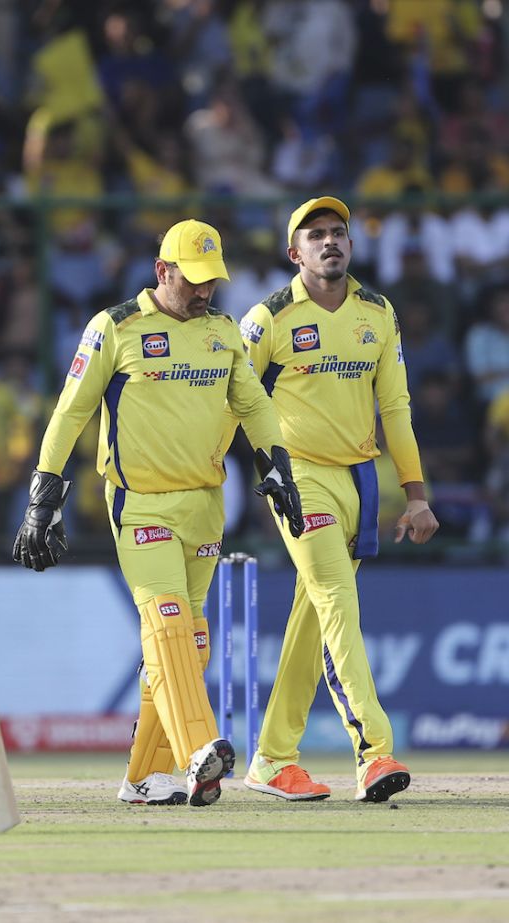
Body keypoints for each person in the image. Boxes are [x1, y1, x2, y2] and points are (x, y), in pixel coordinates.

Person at [12, 219, 303, 808]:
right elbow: (70, 413)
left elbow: (253, 403)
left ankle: (146, 777)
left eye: (212, 282)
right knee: (167, 623)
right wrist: (45, 495)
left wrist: (278, 467)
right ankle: (200, 750)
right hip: (140, 502)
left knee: (189, 643)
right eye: (192, 281)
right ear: (162, 271)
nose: (203, 293)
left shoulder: (223, 330)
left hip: (206, 504)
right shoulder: (115, 329)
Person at [239, 197, 439, 803]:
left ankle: (273, 759)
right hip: (297, 477)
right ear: (292, 252)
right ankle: (375, 752)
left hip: (359, 478)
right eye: (315, 234)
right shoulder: (266, 319)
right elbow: (234, 402)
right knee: (336, 598)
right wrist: (242, 473)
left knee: (314, 616)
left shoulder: (377, 313)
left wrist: (416, 494)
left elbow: (396, 409)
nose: (330, 242)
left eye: (339, 233)